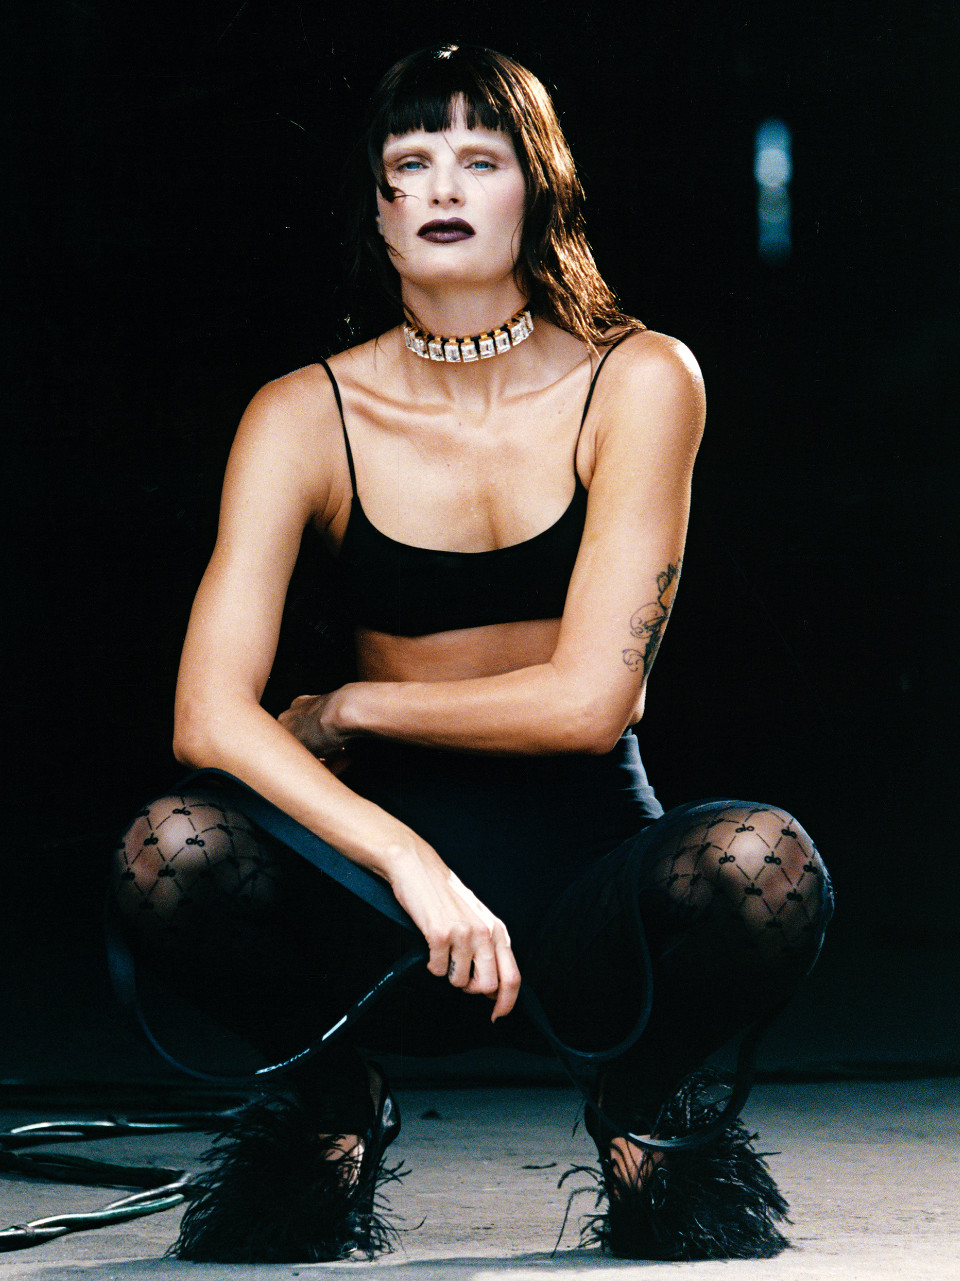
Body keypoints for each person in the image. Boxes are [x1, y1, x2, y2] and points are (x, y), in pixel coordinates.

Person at [112, 44, 833, 1264]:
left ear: (537, 191)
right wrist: (408, 859)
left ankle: (637, 1104)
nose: (444, 186)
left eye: (481, 159)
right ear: (377, 207)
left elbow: (591, 703)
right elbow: (208, 717)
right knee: (167, 854)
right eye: (413, 160)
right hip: (372, 899)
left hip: (581, 876)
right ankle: (334, 1103)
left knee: (767, 866)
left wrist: (349, 708)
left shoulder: (640, 379)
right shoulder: (301, 415)